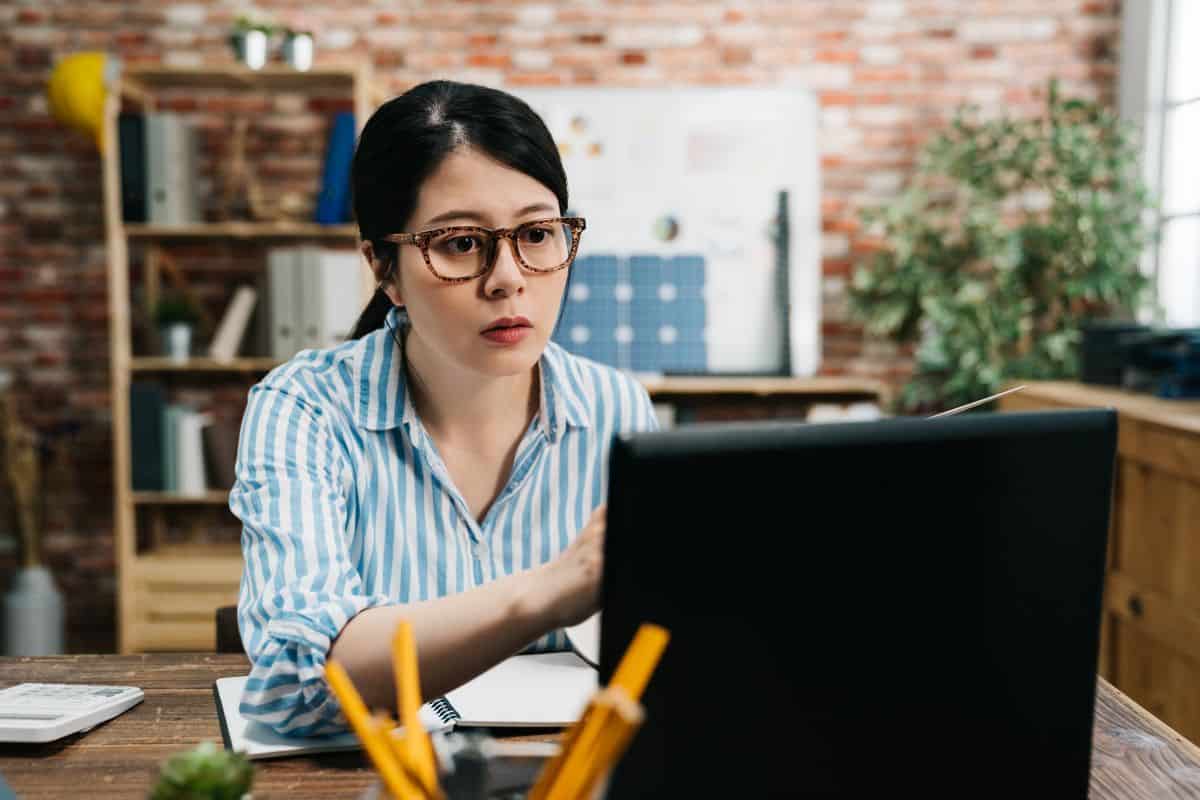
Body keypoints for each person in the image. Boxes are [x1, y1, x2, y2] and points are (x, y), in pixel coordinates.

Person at [230, 80, 658, 736]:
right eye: (460, 243)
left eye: (538, 233)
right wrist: (549, 590)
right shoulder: (305, 410)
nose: (509, 277)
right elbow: (293, 689)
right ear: (382, 267)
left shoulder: (615, 409)